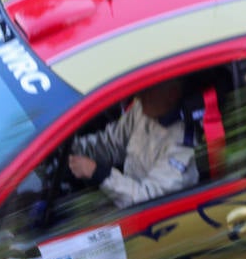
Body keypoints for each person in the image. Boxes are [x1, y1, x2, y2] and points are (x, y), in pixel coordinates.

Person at [67, 79, 199, 208]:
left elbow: (148, 200)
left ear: (172, 94)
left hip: (145, 218)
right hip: (122, 198)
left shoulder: (183, 146)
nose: (139, 93)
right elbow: (112, 142)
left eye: (148, 88)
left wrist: (98, 173)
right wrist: (71, 147)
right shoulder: (143, 109)